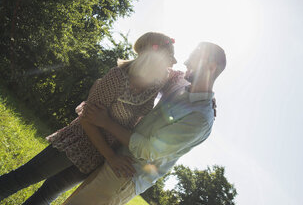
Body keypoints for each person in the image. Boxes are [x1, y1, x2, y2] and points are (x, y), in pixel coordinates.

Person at [0, 32, 178, 205]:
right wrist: (111, 157)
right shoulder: (118, 77)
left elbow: (181, 82)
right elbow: (87, 119)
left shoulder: (155, 84)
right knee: (22, 178)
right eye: (170, 55)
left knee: (48, 194)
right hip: (78, 142)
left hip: (98, 157)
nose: (174, 61)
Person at [63, 42, 226, 205]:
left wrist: (106, 122)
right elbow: (157, 67)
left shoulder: (200, 118)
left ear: (211, 67)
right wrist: (161, 44)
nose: (185, 63)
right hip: (116, 158)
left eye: (194, 59)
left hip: (127, 174)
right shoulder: (181, 82)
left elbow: (149, 149)